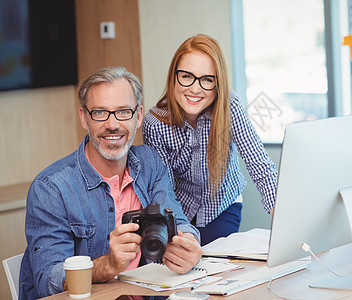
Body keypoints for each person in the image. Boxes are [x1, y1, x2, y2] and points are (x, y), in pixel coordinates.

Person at [18, 67, 202, 299]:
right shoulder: (51, 188)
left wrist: (189, 244)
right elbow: (47, 280)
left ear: (138, 115)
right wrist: (107, 265)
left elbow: (178, 220)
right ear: (84, 118)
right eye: (100, 113)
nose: (112, 124)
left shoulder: (150, 164)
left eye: (123, 111)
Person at [143, 34, 278, 246]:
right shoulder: (155, 123)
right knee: (187, 267)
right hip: (181, 210)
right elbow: (165, 190)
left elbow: (259, 164)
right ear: (173, 76)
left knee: (216, 263)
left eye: (207, 80)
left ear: (217, 84)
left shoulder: (229, 105)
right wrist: (183, 232)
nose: (195, 89)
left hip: (222, 206)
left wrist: (282, 216)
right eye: (186, 76)